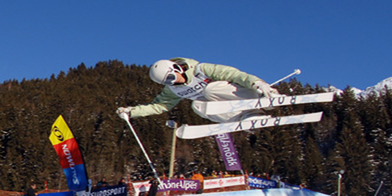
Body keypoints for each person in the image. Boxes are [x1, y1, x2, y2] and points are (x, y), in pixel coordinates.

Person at [116, 58, 279, 123]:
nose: (172, 82)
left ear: (177, 69)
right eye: (166, 82)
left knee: (209, 90)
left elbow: (234, 74)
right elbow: (159, 106)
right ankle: (244, 118)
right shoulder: (174, 90)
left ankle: (261, 103)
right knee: (197, 105)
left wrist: (258, 84)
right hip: (231, 108)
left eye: (171, 77)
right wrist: (132, 112)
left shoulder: (200, 70)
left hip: (246, 93)